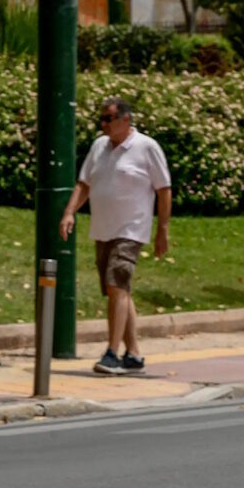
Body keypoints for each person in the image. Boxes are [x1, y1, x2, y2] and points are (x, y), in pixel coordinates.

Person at [59, 97, 172, 375]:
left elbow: (164, 189)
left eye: (109, 119)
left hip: (131, 230)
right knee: (118, 290)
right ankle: (133, 354)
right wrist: (70, 212)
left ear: (125, 120)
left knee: (117, 285)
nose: (104, 124)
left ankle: (112, 353)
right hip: (103, 229)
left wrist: (162, 230)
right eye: (102, 118)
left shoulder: (146, 147)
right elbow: (84, 183)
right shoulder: (99, 146)